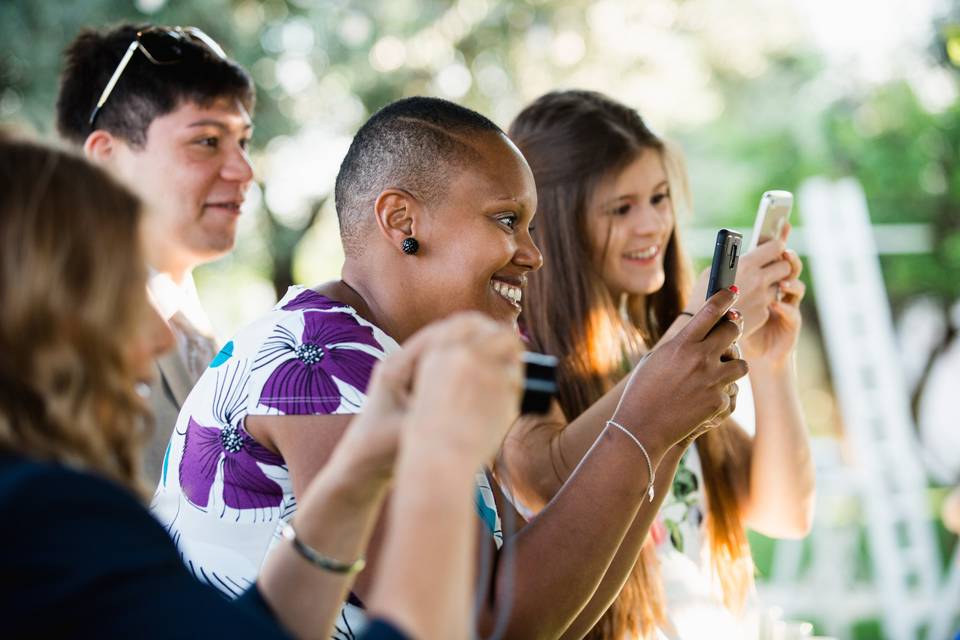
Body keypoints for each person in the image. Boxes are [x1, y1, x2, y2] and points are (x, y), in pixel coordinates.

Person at [152, 96, 749, 638]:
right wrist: (645, 423)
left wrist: (670, 431)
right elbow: (491, 624)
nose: (533, 255)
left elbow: (547, 610)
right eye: (506, 219)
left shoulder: (393, 364)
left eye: (531, 226)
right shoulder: (323, 365)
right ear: (403, 222)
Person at [0, 136, 525, 640]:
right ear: (39, 315)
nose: (160, 337)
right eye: (124, 292)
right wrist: (443, 462)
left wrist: (358, 474)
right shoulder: (47, 514)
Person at [504, 89, 815, 639]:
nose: (652, 225)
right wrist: (691, 333)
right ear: (552, 225)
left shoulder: (648, 340)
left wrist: (772, 363)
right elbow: (542, 480)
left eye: (660, 198)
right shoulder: (521, 351)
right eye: (621, 208)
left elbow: (785, 512)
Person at [55, 24, 256, 483]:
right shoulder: (62, 329)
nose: (244, 170)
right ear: (105, 156)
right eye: (207, 141)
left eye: (242, 141)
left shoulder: (202, 329)